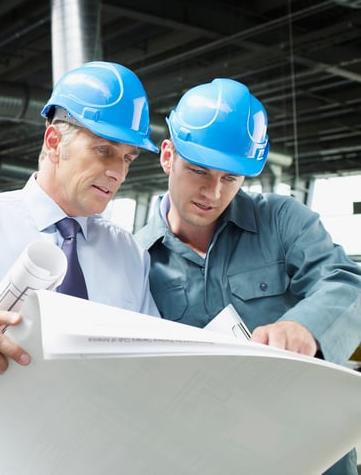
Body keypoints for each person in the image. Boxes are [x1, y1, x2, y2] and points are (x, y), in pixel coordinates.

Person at [0, 61, 160, 416]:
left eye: (128, 158)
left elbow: (152, 362)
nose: (118, 172)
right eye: (104, 150)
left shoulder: (129, 251)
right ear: (54, 143)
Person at [134, 77, 361, 475]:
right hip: (209, 454)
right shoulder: (134, 258)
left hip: (312, 450)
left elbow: (346, 282)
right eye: (199, 171)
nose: (213, 194)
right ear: (167, 156)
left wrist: (305, 327)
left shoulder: (282, 220)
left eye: (230, 179)